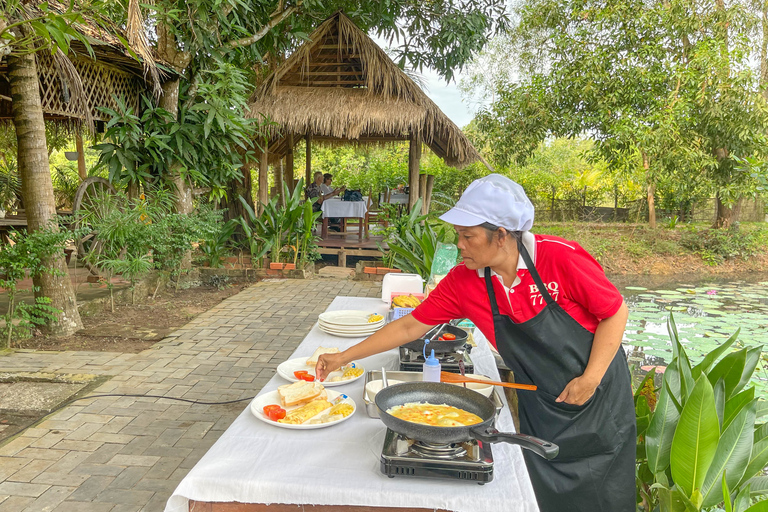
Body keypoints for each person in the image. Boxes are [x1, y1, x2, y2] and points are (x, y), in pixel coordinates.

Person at [316, 174, 636, 512]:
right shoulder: (464, 282)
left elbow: (615, 313)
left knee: (603, 497)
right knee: (542, 492)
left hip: (598, 401)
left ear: (501, 235)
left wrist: (591, 378)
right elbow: (410, 325)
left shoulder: (559, 258)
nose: (460, 246)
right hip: (543, 404)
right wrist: (344, 357)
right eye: (458, 235)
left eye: (468, 236)